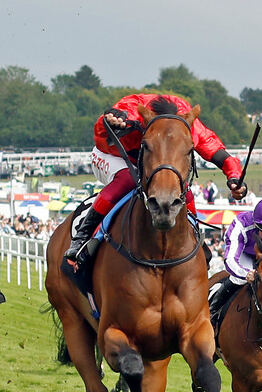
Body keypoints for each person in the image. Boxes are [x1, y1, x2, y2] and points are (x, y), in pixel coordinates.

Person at [64, 94, 247, 265]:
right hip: (112, 155)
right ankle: (82, 236)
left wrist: (235, 177)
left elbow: (218, 152)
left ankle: (195, 236)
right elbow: (99, 132)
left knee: (182, 189)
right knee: (128, 179)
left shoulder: (191, 126)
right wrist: (113, 120)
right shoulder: (132, 110)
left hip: (154, 161)